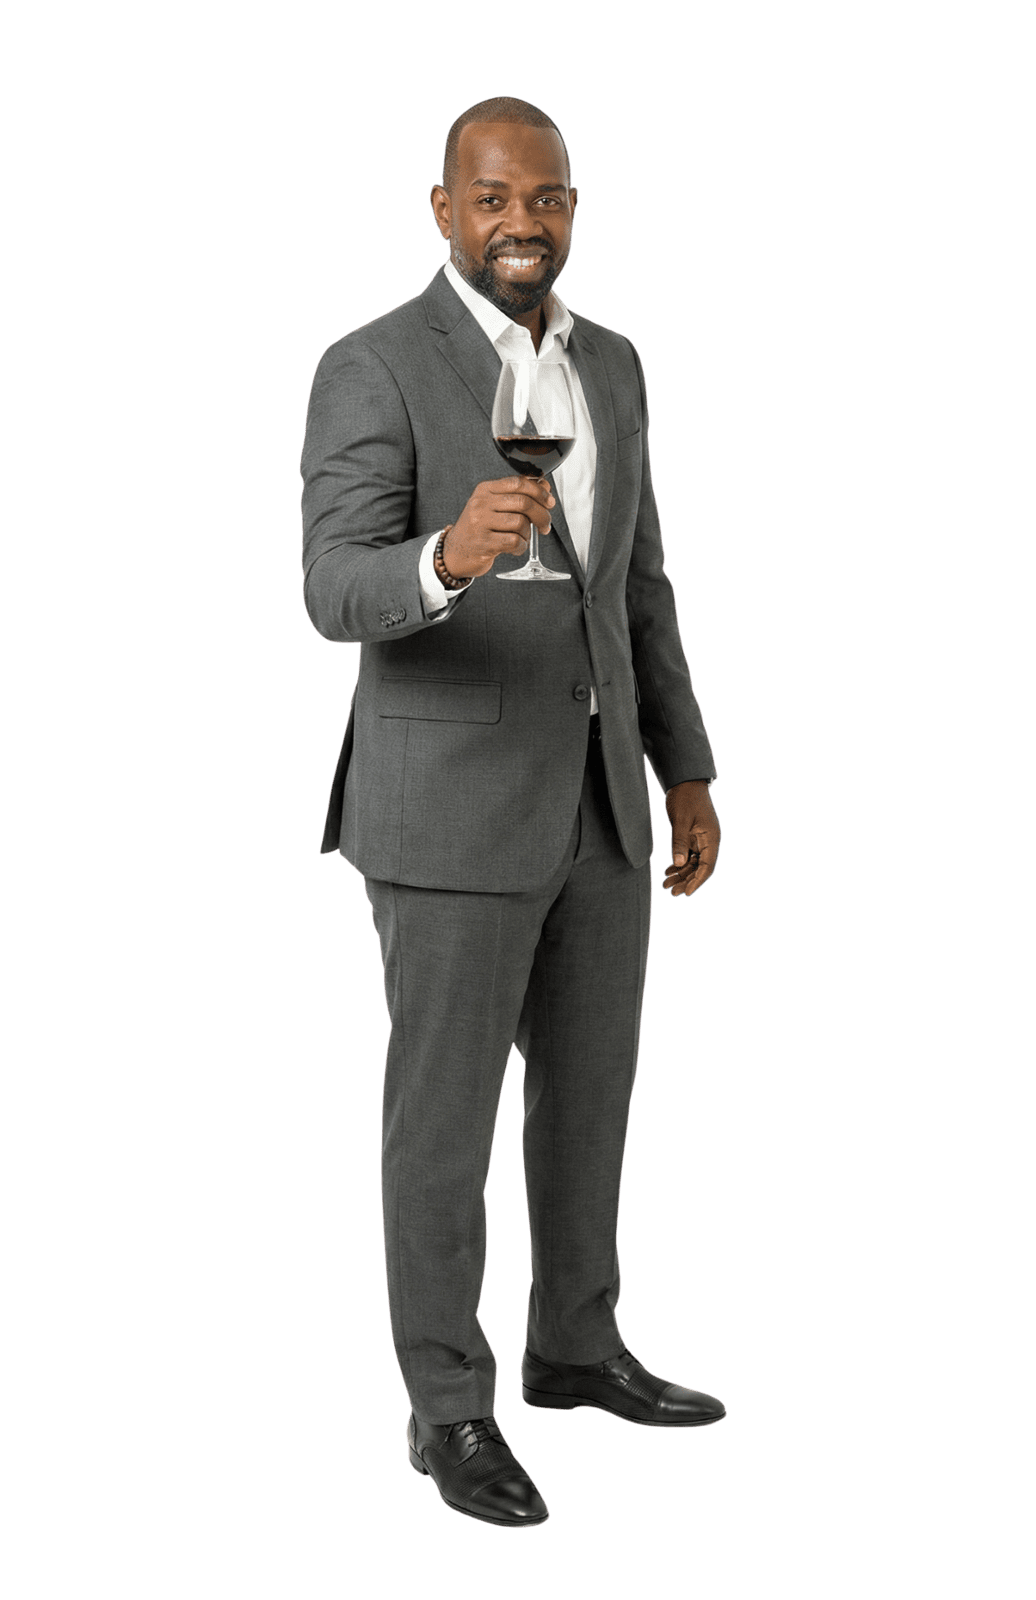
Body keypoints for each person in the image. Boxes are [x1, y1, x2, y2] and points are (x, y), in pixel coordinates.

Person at [300, 96, 726, 1530]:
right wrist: (443, 556)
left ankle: (576, 1346)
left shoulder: (611, 362)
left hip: (600, 799)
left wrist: (684, 765)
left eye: (543, 199)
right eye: (492, 200)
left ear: (571, 209)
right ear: (445, 211)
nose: (521, 224)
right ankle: (446, 1407)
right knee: (442, 1128)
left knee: (591, 1099)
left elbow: (639, 578)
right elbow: (329, 584)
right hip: (447, 810)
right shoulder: (373, 363)